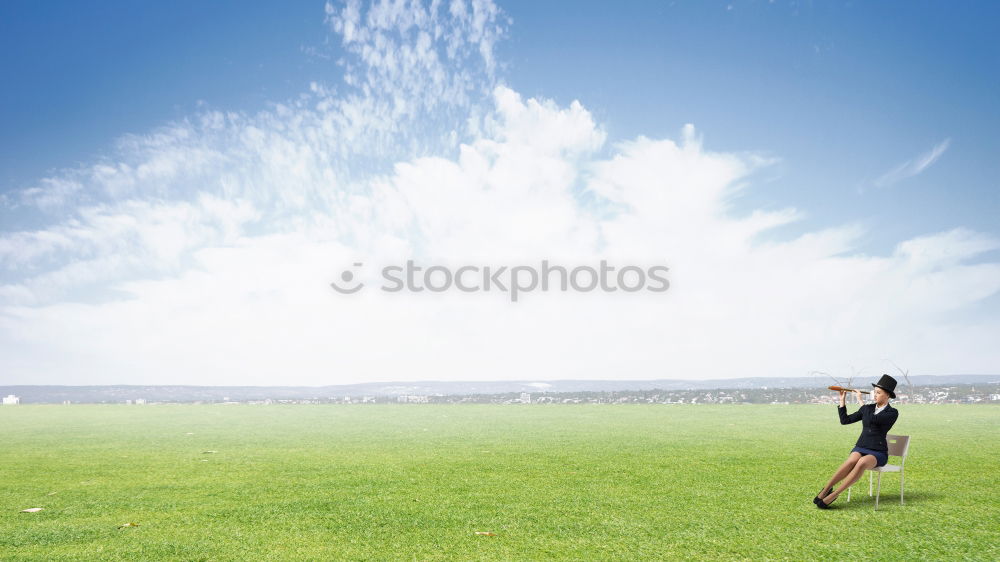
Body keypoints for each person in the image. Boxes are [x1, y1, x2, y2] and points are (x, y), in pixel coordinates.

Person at [815, 374, 899, 509]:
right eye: (874, 392)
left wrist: (860, 401)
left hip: (878, 452)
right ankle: (826, 489)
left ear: (887, 395)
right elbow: (845, 421)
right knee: (851, 461)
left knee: (861, 463)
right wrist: (842, 401)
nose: (875, 395)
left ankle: (835, 494)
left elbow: (874, 420)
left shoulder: (892, 412)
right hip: (861, 447)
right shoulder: (868, 408)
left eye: (878, 392)